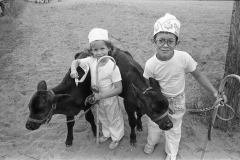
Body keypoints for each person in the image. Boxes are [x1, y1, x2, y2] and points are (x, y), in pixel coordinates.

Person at [143, 13, 221, 160]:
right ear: (153, 40)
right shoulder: (150, 64)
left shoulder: (183, 57)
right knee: (154, 125)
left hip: (178, 100)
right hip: (159, 101)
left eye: (170, 41)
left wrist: (215, 93)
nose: (165, 45)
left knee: (174, 127)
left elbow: (198, 75)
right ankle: (151, 142)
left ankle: (171, 153)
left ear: (177, 42)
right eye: (161, 40)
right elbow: (148, 87)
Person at [70, 28, 124, 150]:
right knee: (102, 116)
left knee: (113, 117)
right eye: (95, 50)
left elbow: (119, 89)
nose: (99, 52)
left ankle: (116, 137)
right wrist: (73, 70)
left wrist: (101, 96)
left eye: (102, 49)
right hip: (98, 98)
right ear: (91, 51)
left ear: (109, 48)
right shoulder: (91, 61)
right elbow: (76, 62)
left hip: (109, 98)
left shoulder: (113, 67)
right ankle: (106, 134)